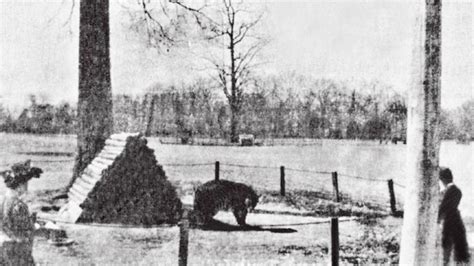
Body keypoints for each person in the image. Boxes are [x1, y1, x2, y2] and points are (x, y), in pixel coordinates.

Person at [0, 160, 43, 265]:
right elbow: (26, 229)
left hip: (4, 246)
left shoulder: (2, 200)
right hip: (19, 249)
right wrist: (35, 225)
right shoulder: (19, 205)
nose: (26, 186)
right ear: (20, 185)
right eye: (26, 183)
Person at [438, 167, 470, 265]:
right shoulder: (450, 191)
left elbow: (444, 207)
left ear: (442, 178)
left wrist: (438, 219)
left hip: (451, 224)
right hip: (451, 223)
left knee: (450, 251)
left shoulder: (453, 190)